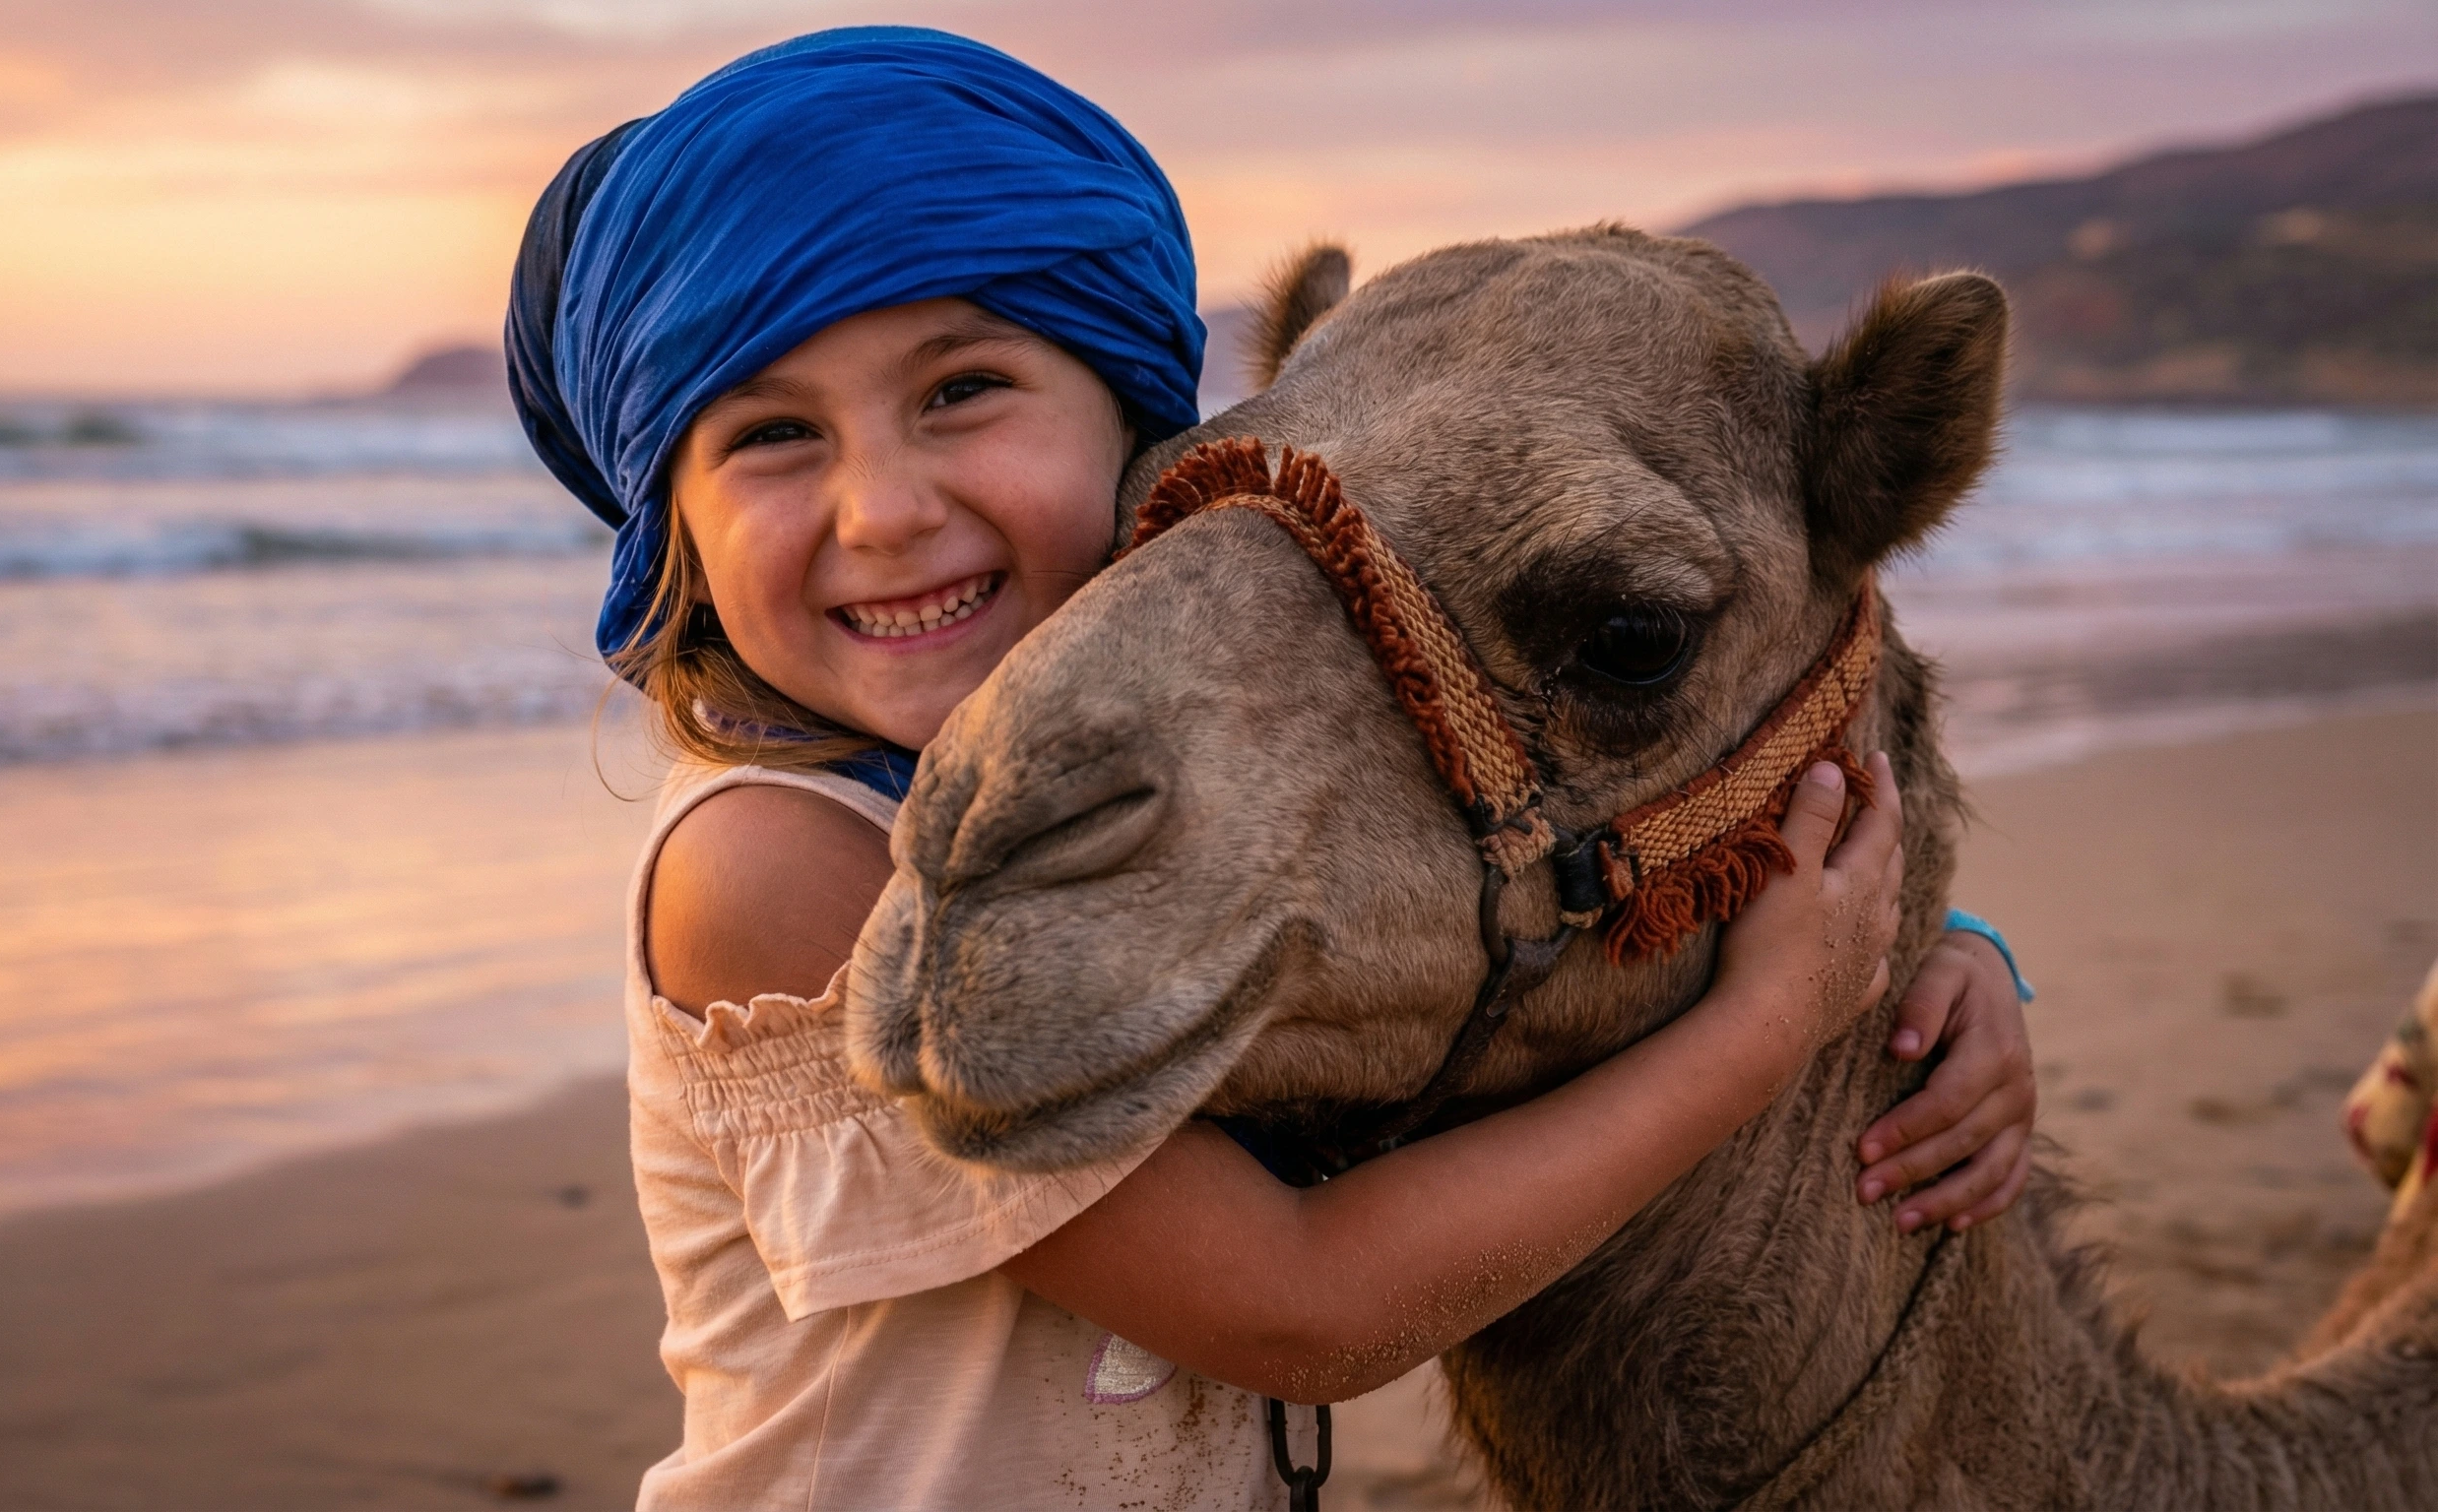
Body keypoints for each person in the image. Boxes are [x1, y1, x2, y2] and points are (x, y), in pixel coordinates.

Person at [504, 28, 2039, 1510]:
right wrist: (1774, 1026)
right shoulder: (771, 870)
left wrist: (1935, 955)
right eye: (771, 434)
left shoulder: (1135, 807)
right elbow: (1300, 1310)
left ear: (1131, 420)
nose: (887, 510)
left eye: (962, 389)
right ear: (677, 539)